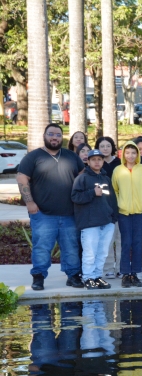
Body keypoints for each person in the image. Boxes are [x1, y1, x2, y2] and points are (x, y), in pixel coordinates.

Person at [17, 123, 85, 290]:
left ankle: (73, 276)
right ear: (44, 136)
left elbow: (83, 176)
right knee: (42, 247)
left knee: (71, 247)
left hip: (70, 213)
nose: (54, 137)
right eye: (51, 134)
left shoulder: (71, 156)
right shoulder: (33, 157)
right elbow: (21, 178)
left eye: (58, 135)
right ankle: (38, 277)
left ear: (62, 138)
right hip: (43, 214)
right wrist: (29, 201)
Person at [71, 149, 118, 290]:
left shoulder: (106, 179)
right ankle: (88, 277)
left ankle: (97, 276)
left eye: (99, 159)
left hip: (106, 222)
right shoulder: (82, 178)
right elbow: (75, 197)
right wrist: (92, 193)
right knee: (90, 252)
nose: (97, 162)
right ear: (88, 161)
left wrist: (112, 218)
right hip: (90, 223)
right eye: (94, 159)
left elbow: (112, 201)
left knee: (103, 252)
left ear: (103, 161)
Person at [112, 141, 142, 288]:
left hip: (139, 212)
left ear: (137, 154)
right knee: (126, 242)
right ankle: (125, 274)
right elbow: (114, 189)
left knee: (137, 243)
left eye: (133, 153)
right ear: (123, 154)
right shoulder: (117, 170)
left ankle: (135, 273)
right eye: (127, 152)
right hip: (124, 212)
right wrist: (119, 203)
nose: (130, 155)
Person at [96, 136, 122, 280]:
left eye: (108, 146)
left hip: (119, 205)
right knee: (107, 240)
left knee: (120, 239)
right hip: (103, 206)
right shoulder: (97, 164)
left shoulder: (119, 163)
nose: (105, 149)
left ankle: (120, 268)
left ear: (113, 147)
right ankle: (108, 268)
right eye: (102, 146)